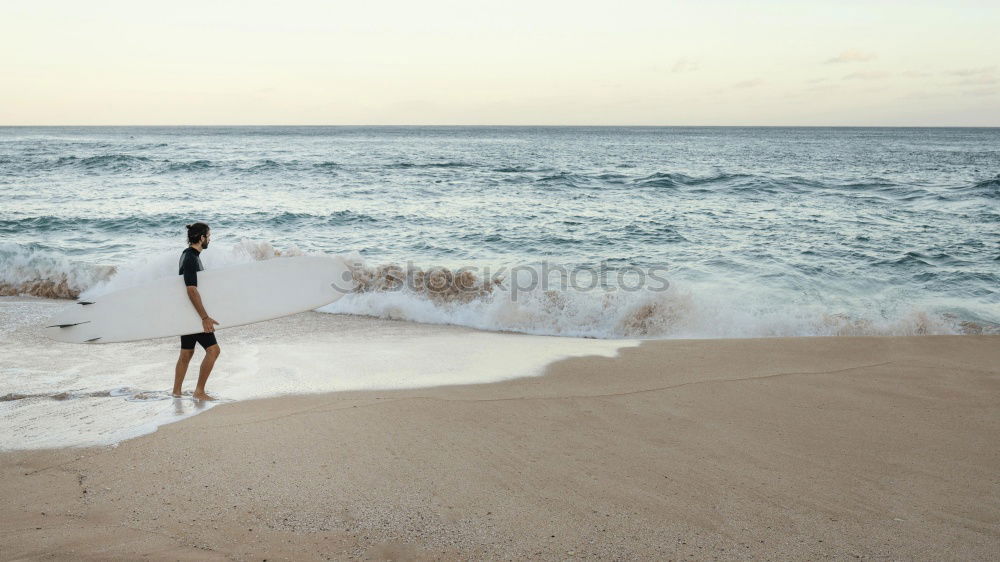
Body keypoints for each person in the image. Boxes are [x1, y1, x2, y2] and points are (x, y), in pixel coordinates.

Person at [172, 222, 221, 400]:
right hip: (194, 315)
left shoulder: (187, 255)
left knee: (186, 353)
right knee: (214, 350)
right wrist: (205, 317)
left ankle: (176, 393)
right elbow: (191, 289)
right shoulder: (191, 258)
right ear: (201, 238)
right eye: (208, 236)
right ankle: (199, 392)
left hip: (187, 313)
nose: (209, 239)